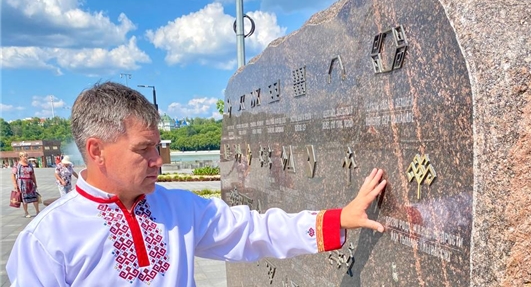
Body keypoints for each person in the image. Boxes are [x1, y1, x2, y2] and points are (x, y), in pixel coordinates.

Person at [7, 82, 387, 286]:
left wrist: (339, 218)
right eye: (144, 150)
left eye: (158, 147)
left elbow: (252, 230)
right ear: (96, 150)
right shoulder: (47, 239)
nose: (158, 160)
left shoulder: (178, 209)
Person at [11, 152, 40, 218]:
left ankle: (37, 211)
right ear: (20, 157)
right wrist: (15, 184)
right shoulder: (17, 165)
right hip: (22, 183)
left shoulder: (29, 164)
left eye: (26, 156)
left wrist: (35, 183)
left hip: (30, 182)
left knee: (35, 197)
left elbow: (32, 174)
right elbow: (13, 175)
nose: (26, 157)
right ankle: (26, 212)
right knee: (24, 198)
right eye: (24, 156)